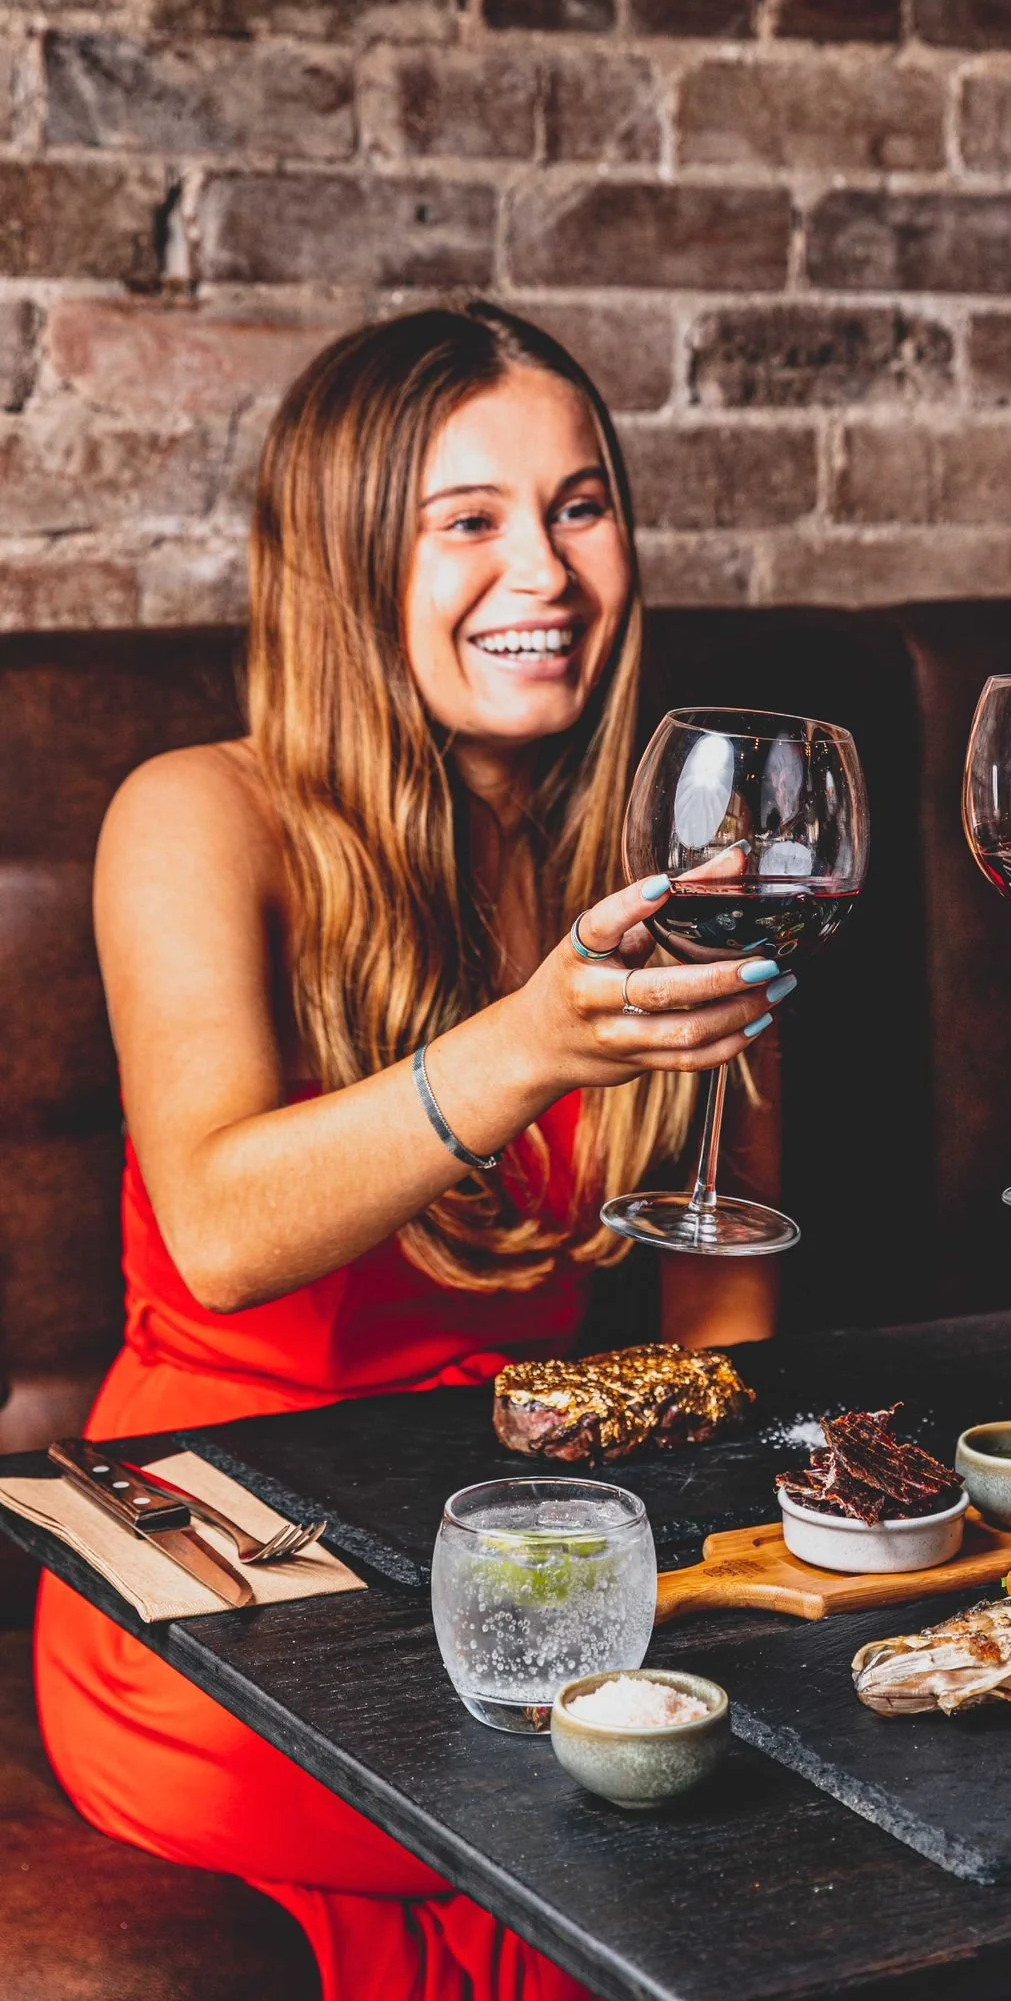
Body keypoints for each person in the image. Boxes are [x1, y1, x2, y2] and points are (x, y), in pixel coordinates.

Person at [35, 303, 793, 2000]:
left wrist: (719, 1564)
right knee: (680, 1838)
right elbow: (222, 1228)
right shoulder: (199, 814)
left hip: (527, 1547)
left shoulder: (667, 860)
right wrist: (521, 1048)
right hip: (226, 1587)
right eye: (469, 521)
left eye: (580, 506)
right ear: (342, 562)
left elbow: (725, 1305)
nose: (545, 569)